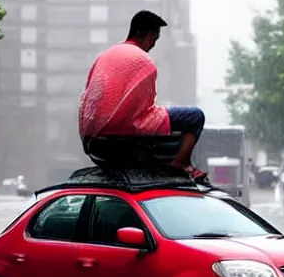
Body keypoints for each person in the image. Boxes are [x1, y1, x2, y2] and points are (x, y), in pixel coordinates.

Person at [79, 10, 207, 181]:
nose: (152, 45)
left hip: (94, 138)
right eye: (153, 39)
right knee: (195, 117)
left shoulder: (104, 56)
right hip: (126, 130)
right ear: (142, 34)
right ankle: (181, 163)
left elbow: (90, 96)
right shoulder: (143, 62)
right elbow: (145, 107)